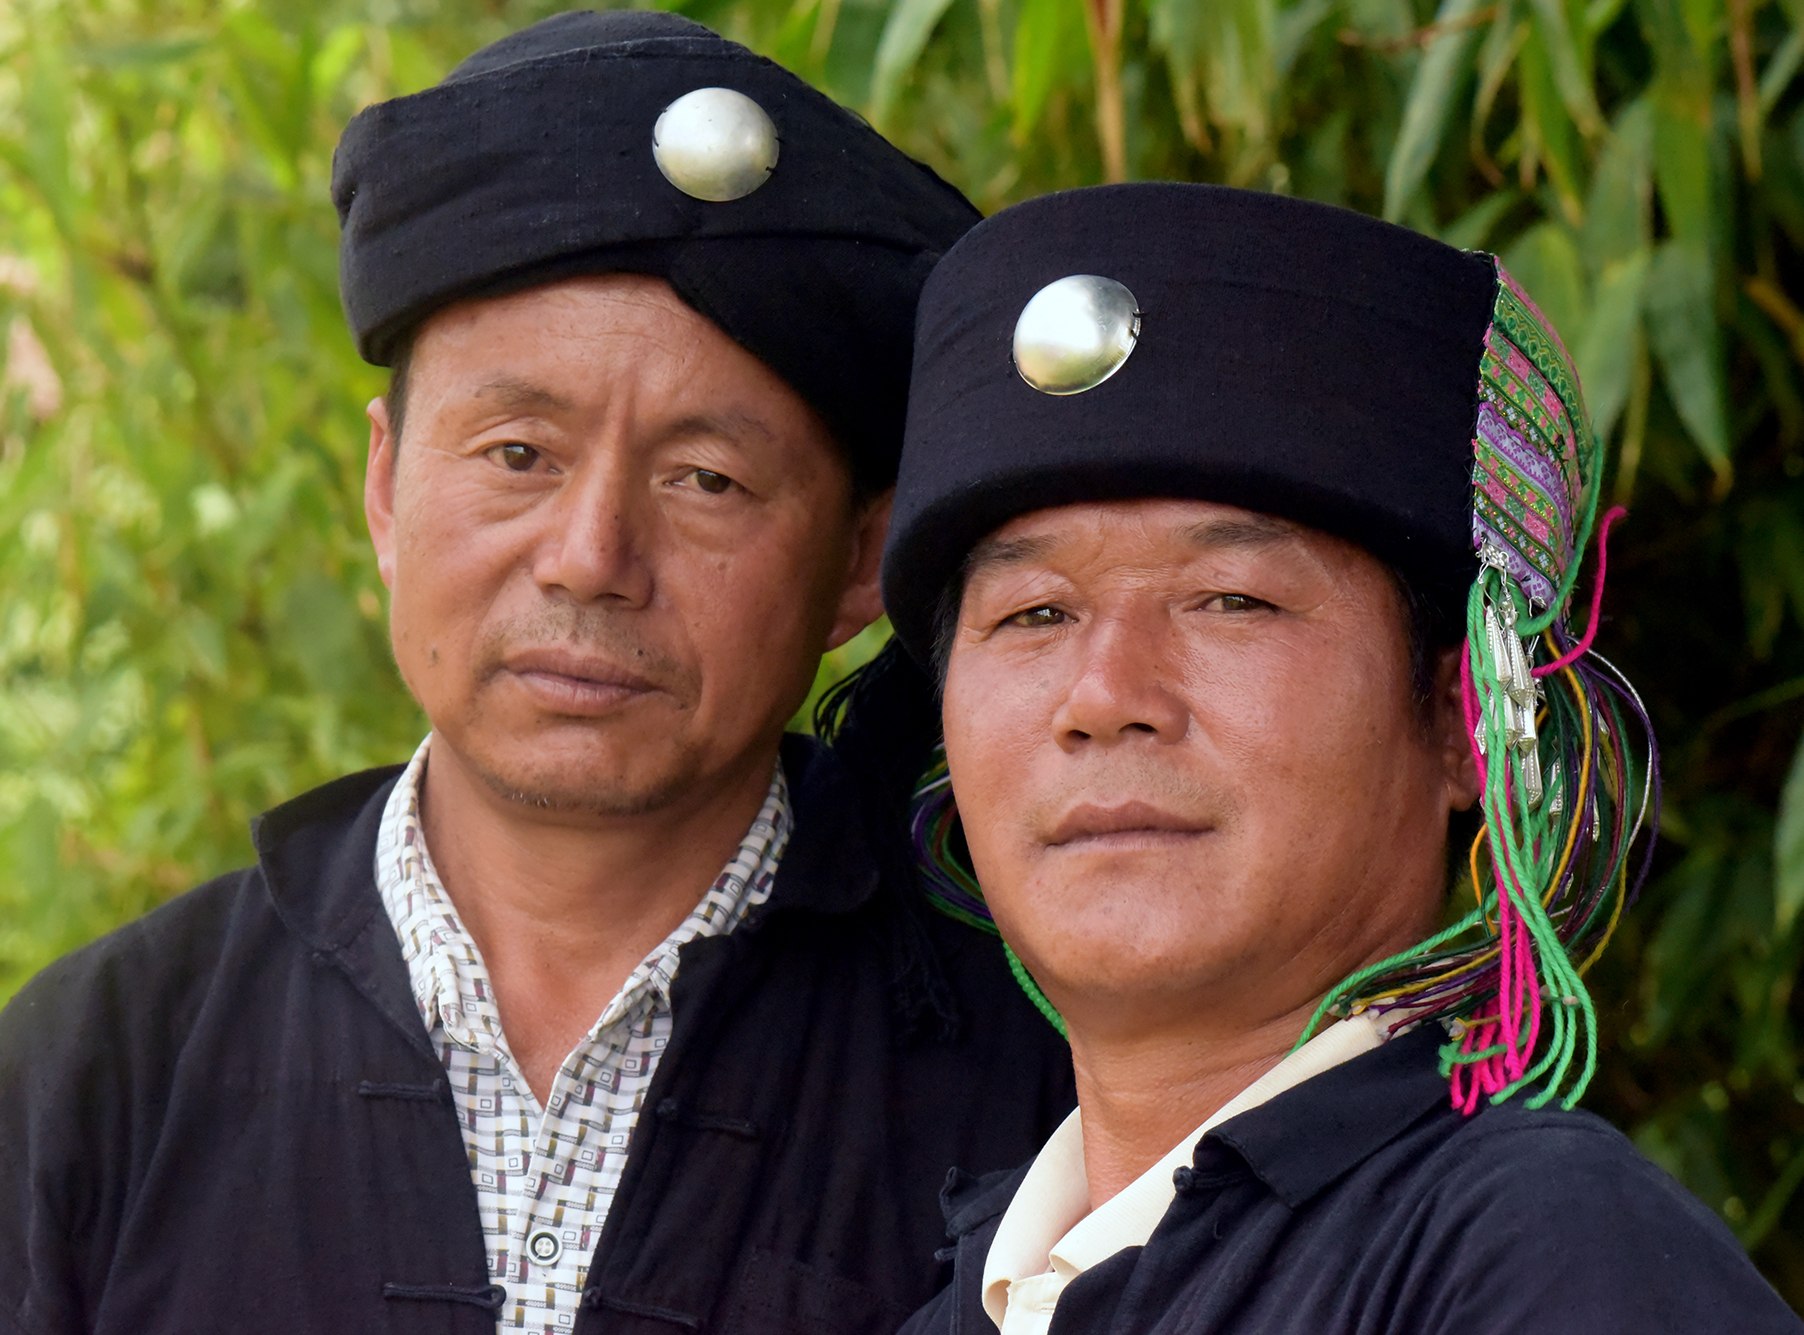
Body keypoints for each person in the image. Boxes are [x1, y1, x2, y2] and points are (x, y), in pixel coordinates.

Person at [0, 13, 1072, 1335]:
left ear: (860, 558)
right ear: (388, 485)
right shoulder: (95, 1068)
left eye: (707, 479)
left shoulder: (1052, 1076)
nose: (589, 557)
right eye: (518, 453)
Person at [875, 183, 1804, 1333]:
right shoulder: (967, 1305)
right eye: (1031, 615)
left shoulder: (1540, 1257)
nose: (1103, 696)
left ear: (1463, 718)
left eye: (1228, 600)